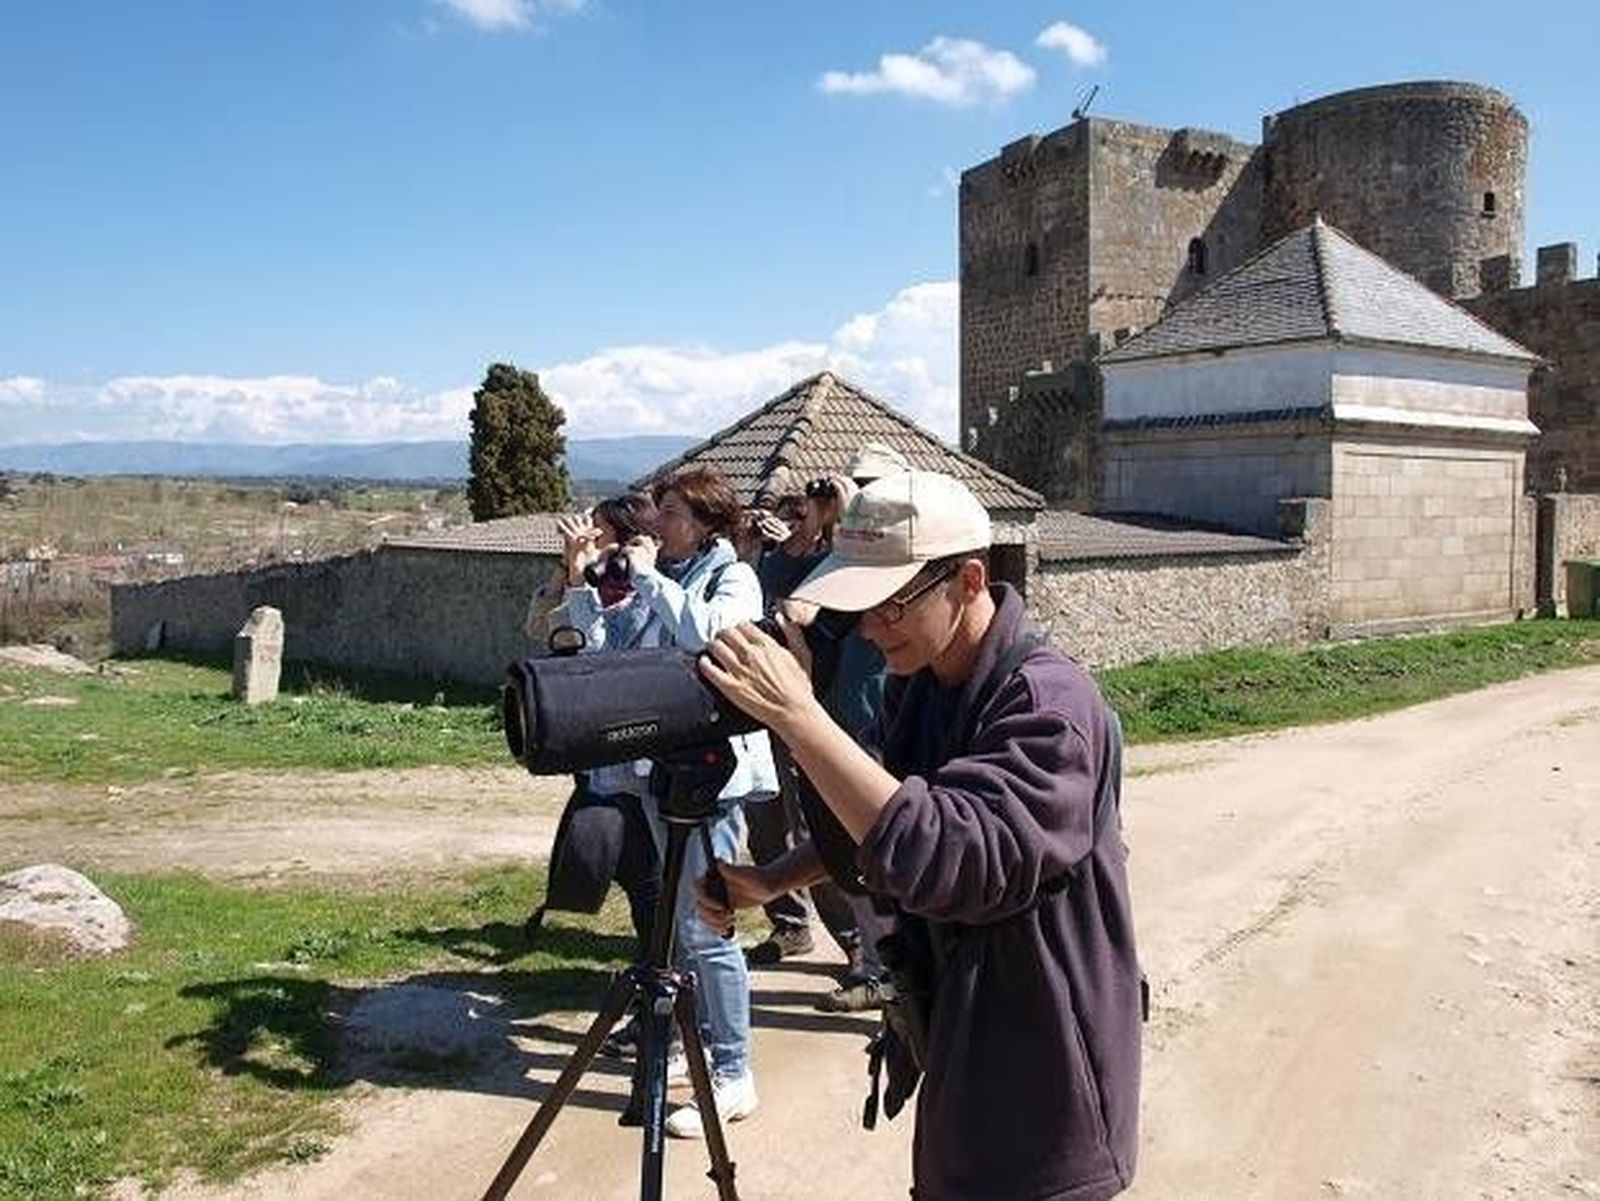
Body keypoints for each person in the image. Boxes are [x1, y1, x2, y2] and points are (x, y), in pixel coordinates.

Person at [696, 470, 1142, 1200]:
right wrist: (773, 878)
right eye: (860, 605)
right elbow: (884, 819)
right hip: (963, 1046)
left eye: (891, 603)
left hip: (1048, 1077)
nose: (871, 627)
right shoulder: (925, 678)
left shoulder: (1049, 706)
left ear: (969, 580)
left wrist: (800, 719)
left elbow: (952, 857)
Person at [616, 465, 778, 1140]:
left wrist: (649, 579)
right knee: (684, 926)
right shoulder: (669, 576)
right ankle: (707, 1048)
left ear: (708, 521)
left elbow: (712, 635)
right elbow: (613, 645)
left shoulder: (730, 576)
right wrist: (587, 584)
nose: (659, 526)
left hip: (713, 780)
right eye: (659, 513)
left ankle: (737, 1071)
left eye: (673, 514)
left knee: (708, 929)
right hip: (663, 772)